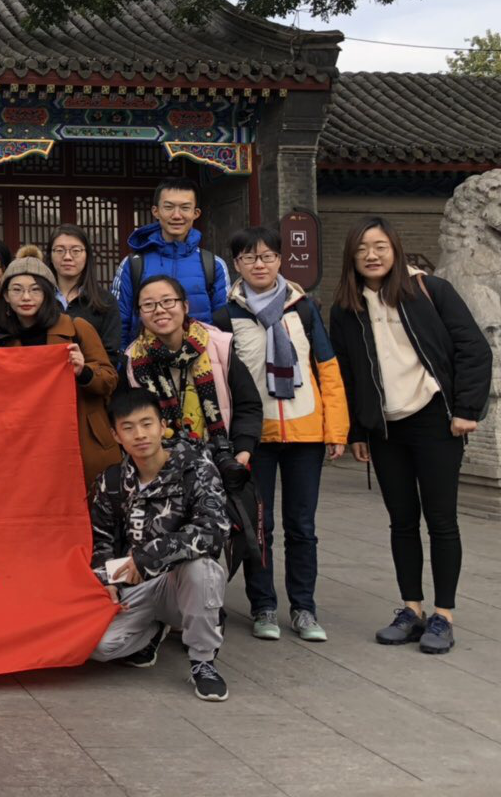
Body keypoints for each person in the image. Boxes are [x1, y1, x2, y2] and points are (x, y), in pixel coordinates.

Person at [329, 216, 492, 655]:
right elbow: (347, 373)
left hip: (435, 420)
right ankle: (411, 609)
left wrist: (465, 410)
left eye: (380, 246)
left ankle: (443, 615)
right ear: (351, 257)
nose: (371, 255)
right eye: (362, 248)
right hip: (385, 428)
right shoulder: (346, 309)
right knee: (401, 521)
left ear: (395, 249)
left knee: (441, 521)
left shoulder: (430, 291)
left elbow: (474, 349)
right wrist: (357, 429)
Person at [222, 226, 350, 643]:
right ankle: (263, 605)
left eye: (267, 256)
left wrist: (336, 429)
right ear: (237, 264)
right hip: (254, 439)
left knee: (302, 526)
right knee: (260, 526)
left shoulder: (304, 309)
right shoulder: (227, 316)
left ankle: (304, 608)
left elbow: (328, 370)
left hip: (305, 432)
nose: (259, 264)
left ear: (280, 260)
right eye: (249, 257)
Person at [88, 390, 231, 702]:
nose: (139, 435)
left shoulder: (195, 469)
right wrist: (105, 581)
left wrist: (148, 557)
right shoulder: (111, 481)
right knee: (100, 647)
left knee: (202, 568)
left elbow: (214, 529)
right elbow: (100, 539)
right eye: (128, 428)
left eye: (147, 424)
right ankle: (154, 629)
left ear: (162, 426)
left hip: (177, 582)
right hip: (132, 585)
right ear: (115, 435)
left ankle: (203, 661)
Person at [0, 250, 118, 485]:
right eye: (17, 290)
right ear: (6, 297)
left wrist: (84, 371)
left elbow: (110, 380)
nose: (26, 297)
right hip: (29, 441)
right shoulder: (2, 340)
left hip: (80, 436)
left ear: (48, 294)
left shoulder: (77, 328)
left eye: (35, 290)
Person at [123, 275, 261, 470]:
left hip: (220, 464)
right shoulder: (132, 360)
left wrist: (243, 450)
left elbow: (247, 403)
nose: (159, 310)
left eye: (167, 301)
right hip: (161, 469)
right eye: (148, 305)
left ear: (185, 306)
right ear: (140, 313)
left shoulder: (218, 346)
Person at [112, 178, 229, 348]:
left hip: (202, 359)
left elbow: (224, 325)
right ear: (156, 211)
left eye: (185, 208)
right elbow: (118, 323)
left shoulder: (213, 265)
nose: (176, 215)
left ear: (196, 213)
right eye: (168, 207)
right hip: (143, 359)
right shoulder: (133, 264)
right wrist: (122, 360)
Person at [49, 224, 122, 364]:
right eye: (59, 250)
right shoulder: (39, 299)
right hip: (48, 376)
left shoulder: (105, 301)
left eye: (76, 251)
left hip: (90, 376)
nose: (67, 257)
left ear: (87, 255)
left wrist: (85, 369)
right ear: (50, 255)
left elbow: (111, 355)